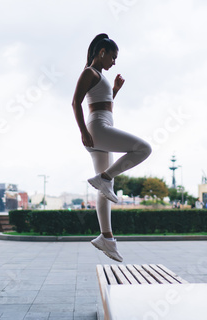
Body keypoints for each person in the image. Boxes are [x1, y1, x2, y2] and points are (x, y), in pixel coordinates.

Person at [72, 34, 152, 262]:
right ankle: (104, 177)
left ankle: (106, 238)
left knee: (105, 189)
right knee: (143, 149)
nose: (114, 62)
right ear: (102, 52)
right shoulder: (89, 72)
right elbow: (75, 102)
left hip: (100, 129)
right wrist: (83, 132)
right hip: (97, 129)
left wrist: (115, 90)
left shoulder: (99, 77)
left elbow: (103, 103)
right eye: (113, 57)